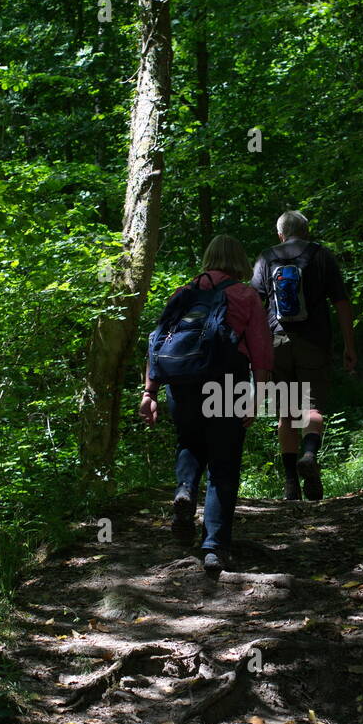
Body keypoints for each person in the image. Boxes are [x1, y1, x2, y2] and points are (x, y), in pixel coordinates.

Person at [138, 235, 274, 574]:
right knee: (223, 465)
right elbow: (261, 351)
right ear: (239, 260)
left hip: (181, 385)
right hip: (227, 385)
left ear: (209, 257)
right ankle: (213, 546)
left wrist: (149, 393)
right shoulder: (245, 295)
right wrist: (257, 395)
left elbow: (157, 342)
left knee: (189, 443)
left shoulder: (182, 293)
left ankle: (184, 490)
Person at [251, 210, 357, 501]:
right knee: (312, 409)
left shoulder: (266, 257)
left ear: (280, 234)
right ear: (306, 231)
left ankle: (290, 484)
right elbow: (342, 303)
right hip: (314, 341)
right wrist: (350, 346)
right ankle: (309, 455)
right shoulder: (322, 256)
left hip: (276, 340)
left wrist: (253, 349)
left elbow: (253, 306)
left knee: (286, 414)